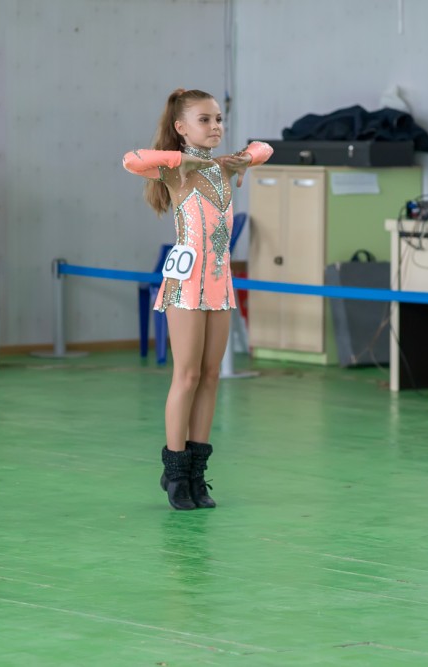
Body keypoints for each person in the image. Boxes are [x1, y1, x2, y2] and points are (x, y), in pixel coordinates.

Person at [123, 88, 272, 510]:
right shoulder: (176, 171)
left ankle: (196, 473)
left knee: (210, 375)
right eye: (204, 120)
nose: (215, 126)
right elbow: (132, 160)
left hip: (220, 282)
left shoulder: (223, 166)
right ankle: (174, 472)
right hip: (187, 282)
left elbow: (265, 148)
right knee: (186, 376)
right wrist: (177, 159)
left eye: (218, 118)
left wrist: (244, 159)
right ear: (181, 127)